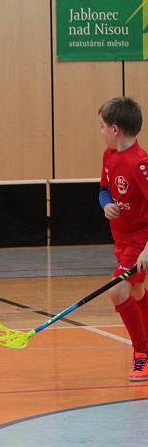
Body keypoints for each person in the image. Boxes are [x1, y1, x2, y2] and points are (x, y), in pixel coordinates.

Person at [98, 96, 148, 381]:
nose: (101, 132)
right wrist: (105, 204)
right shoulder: (109, 155)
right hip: (121, 238)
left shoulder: (141, 164)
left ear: (115, 129)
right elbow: (103, 189)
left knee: (117, 292)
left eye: (102, 126)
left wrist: (147, 249)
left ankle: (141, 354)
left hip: (141, 239)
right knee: (138, 293)